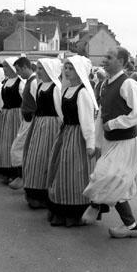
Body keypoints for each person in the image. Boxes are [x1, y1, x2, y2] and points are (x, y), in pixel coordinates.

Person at [83, 47, 137, 238]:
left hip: (126, 143)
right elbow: (102, 115)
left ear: (121, 60)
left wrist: (115, 123)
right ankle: (131, 226)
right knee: (112, 180)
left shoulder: (128, 84)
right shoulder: (104, 85)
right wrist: (96, 143)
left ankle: (96, 207)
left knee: (107, 176)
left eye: (109, 57)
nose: (104, 60)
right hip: (111, 142)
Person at [47, 55, 97, 227]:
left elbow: (88, 121)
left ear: (79, 71)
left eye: (71, 68)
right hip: (66, 133)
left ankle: (74, 212)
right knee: (62, 171)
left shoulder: (82, 92)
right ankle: (61, 208)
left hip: (77, 137)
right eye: (66, 67)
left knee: (75, 172)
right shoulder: (67, 90)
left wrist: (90, 145)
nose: (67, 71)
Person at [23, 58, 63, 209]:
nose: (38, 71)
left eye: (40, 68)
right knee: (34, 158)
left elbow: (61, 112)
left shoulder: (56, 88)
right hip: (39, 124)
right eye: (38, 68)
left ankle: (44, 194)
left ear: (48, 70)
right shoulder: (40, 86)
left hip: (51, 126)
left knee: (45, 158)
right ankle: (34, 191)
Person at [9, 57, 37, 190]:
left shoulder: (34, 82)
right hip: (26, 120)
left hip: (31, 121)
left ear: (26, 67)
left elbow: (39, 103)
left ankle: (22, 176)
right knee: (19, 148)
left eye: (19, 70)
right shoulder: (29, 81)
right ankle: (22, 176)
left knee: (18, 148)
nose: (18, 73)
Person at [0, 57, 25, 184]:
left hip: (16, 115)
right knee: (4, 142)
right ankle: (5, 169)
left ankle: (15, 172)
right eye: (3, 67)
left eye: (6, 66)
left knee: (14, 142)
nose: (4, 69)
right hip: (6, 114)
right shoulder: (6, 82)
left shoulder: (20, 83)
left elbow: (25, 101)